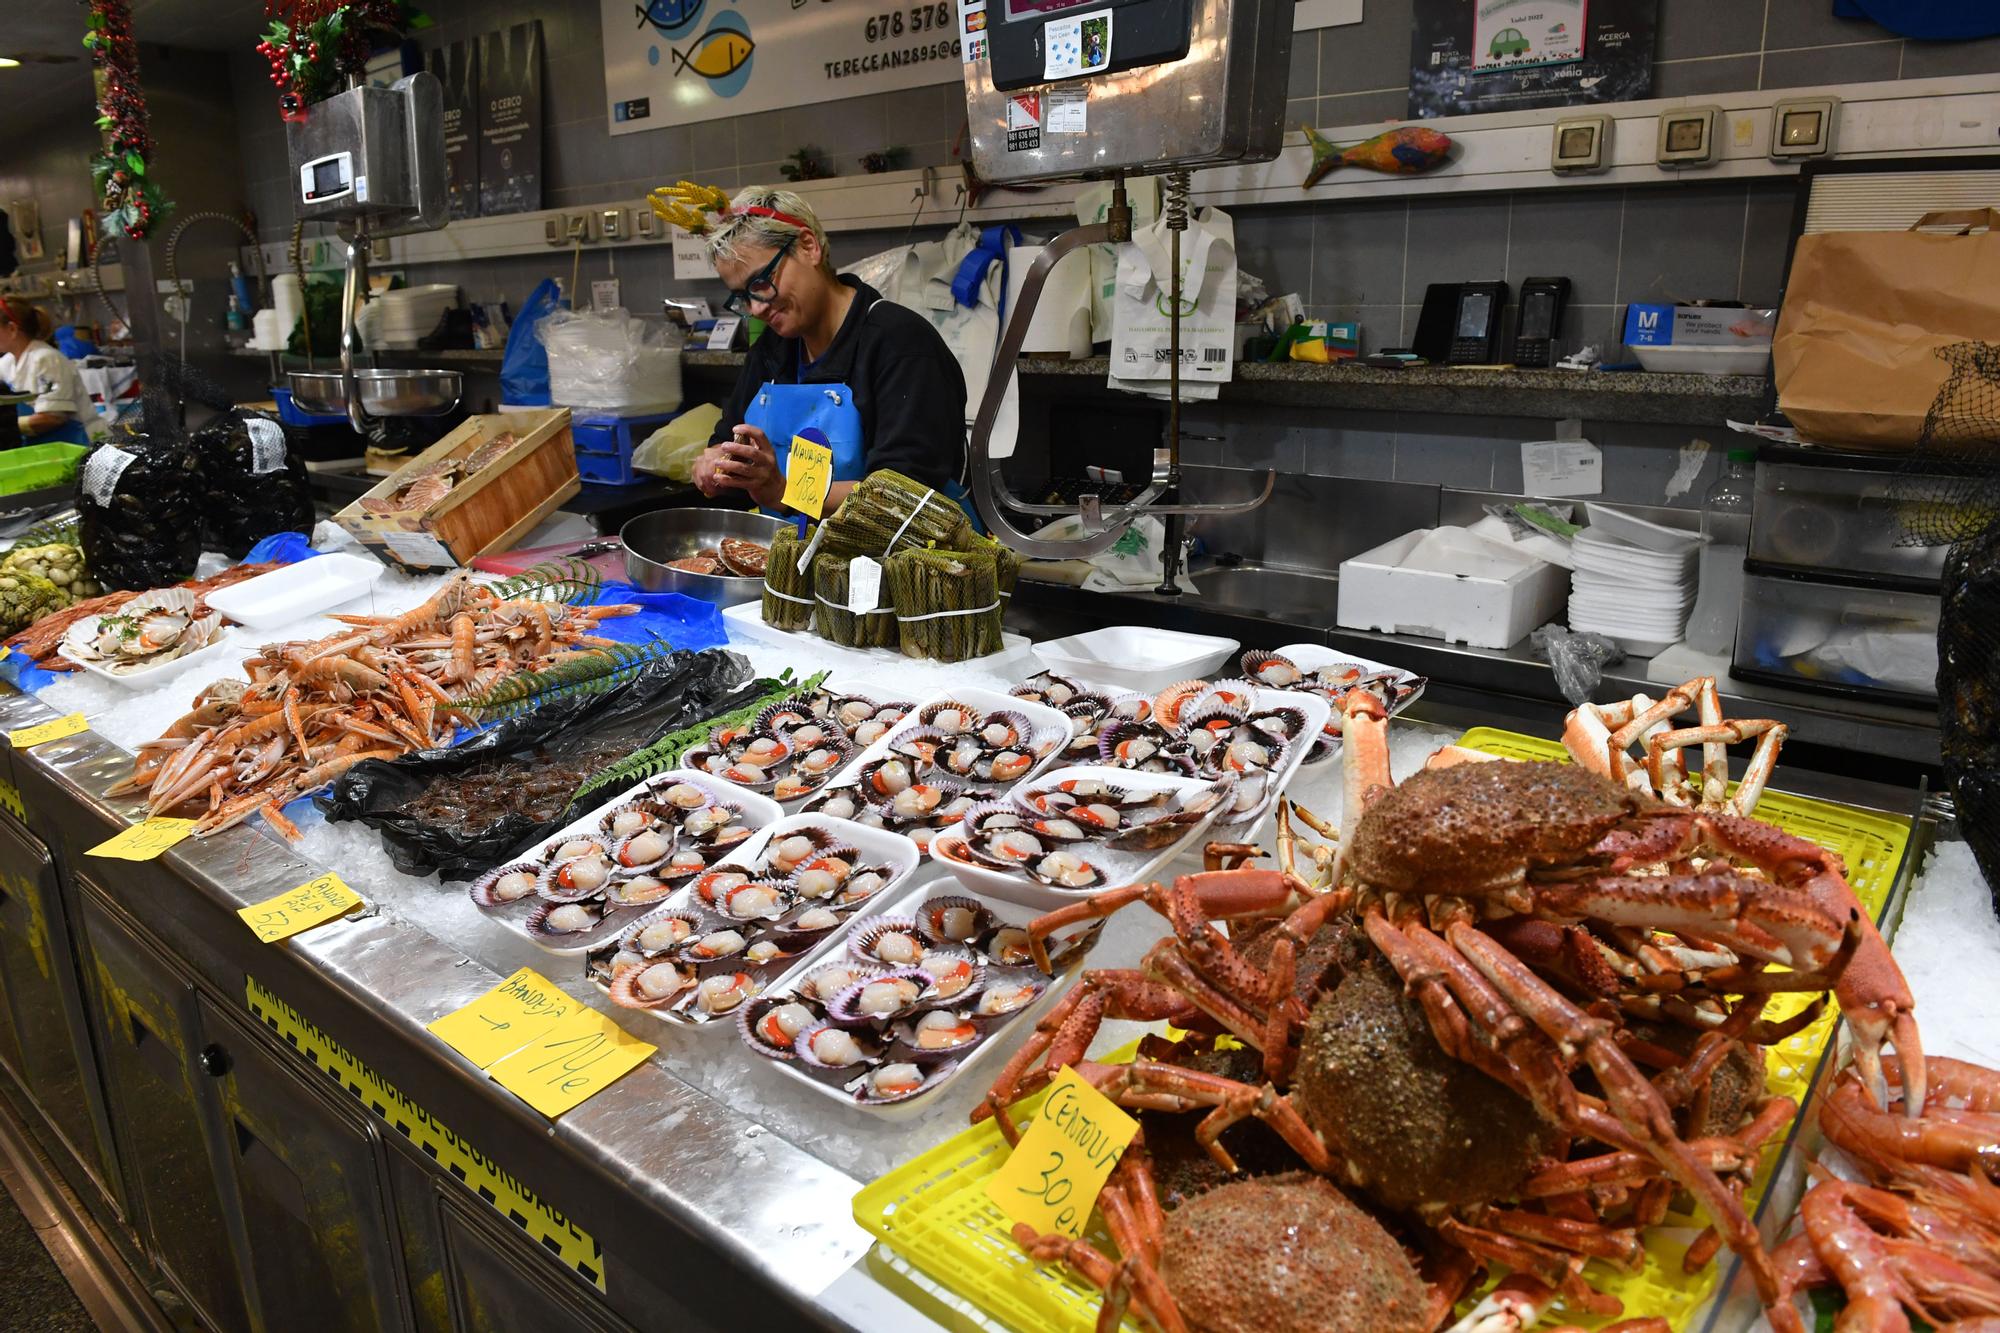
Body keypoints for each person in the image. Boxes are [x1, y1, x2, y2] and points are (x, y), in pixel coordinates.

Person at [674, 185, 968, 515]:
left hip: (909, 556)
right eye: (743, 296)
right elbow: (728, 439)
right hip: (799, 548)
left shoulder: (901, 345)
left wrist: (786, 492)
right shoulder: (771, 352)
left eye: (760, 283)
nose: (756, 309)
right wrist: (718, 463)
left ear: (808, 247)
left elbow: (903, 494)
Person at [0, 298, 91, 446]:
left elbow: (53, 418)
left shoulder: (46, 359)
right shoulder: (8, 362)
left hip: (74, 444)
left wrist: (10, 427)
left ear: (12, 329)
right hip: (42, 447)